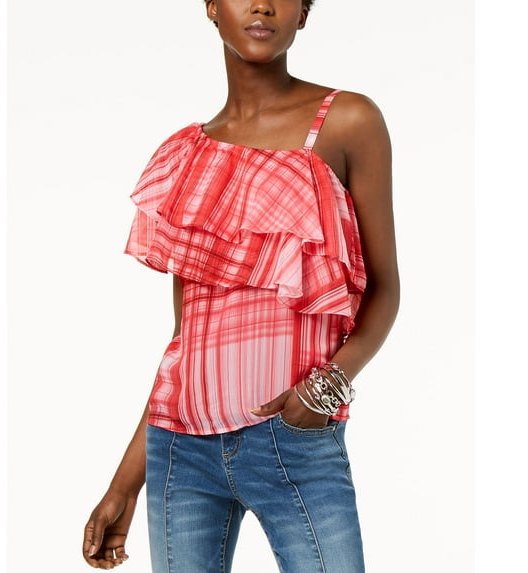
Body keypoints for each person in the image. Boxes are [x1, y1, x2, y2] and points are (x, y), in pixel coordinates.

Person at [82, 0, 399, 571]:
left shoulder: (348, 121)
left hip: (296, 442)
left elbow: (385, 289)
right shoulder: (187, 156)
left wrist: (322, 392)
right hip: (181, 452)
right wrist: (124, 484)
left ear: (303, 13)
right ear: (211, 7)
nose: (261, 4)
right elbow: (186, 340)